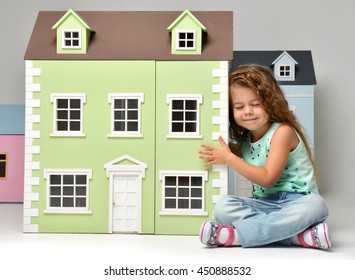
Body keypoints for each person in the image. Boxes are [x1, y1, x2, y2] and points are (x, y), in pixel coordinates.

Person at [198, 64, 331, 249]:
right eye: (239, 106)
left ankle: (236, 237)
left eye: (255, 104)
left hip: (298, 202)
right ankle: (297, 237)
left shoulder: (282, 132)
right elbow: (227, 150)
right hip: (264, 204)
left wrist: (229, 159)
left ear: (270, 103)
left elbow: (268, 178)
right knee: (223, 206)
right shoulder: (245, 140)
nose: (248, 111)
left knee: (317, 205)